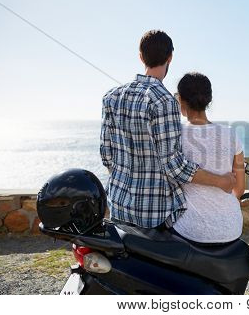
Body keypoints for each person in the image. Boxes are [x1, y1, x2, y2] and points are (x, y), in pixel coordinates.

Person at [100, 30, 236, 229]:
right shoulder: (164, 101)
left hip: (118, 206)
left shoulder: (111, 97)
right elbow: (174, 166)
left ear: (141, 57)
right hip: (155, 214)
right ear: (170, 57)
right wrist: (221, 181)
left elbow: (106, 156)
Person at [172, 72, 245, 243]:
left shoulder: (175, 135)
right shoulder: (231, 134)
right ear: (209, 100)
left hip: (192, 230)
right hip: (232, 227)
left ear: (181, 100)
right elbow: (239, 189)